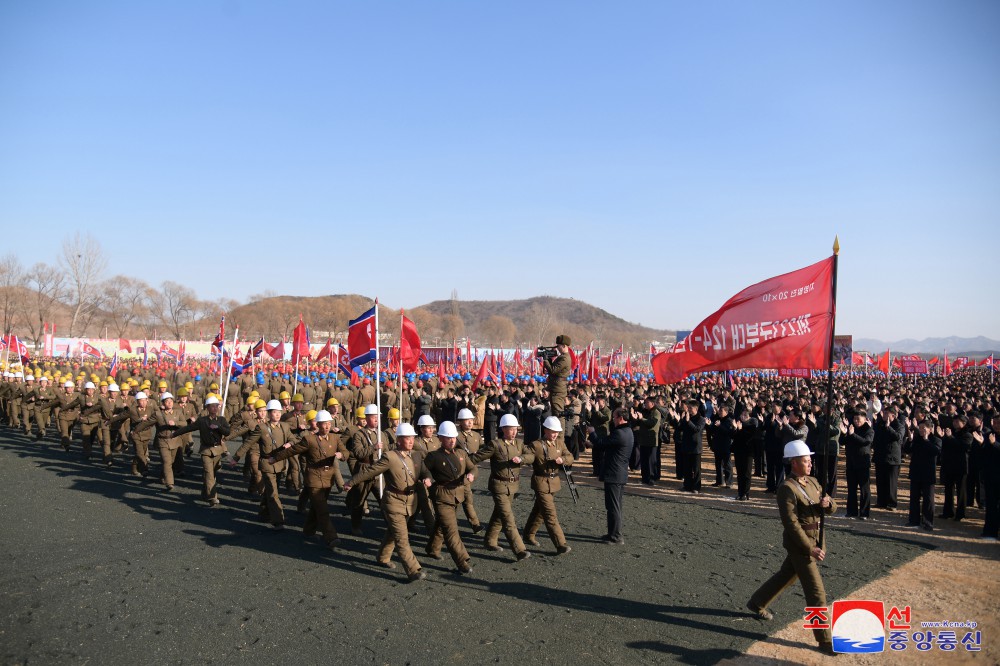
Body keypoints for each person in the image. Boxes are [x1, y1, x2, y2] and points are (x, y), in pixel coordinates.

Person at [747, 440, 837, 657]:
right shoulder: (787, 489)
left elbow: (831, 506)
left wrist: (828, 504)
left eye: (810, 460)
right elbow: (791, 523)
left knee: (786, 575)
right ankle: (824, 641)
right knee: (816, 593)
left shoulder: (814, 482)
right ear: (794, 463)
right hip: (801, 546)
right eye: (806, 461)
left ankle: (757, 602)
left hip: (816, 541)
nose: (810, 464)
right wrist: (809, 549)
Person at [346, 422, 427, 581]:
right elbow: (370, 471)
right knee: (402, 538)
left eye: (412, 438)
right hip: (393, 503)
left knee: (393, 532)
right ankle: (413, 569)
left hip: (410, 502)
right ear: (398, 440)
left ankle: (382, 557)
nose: (410, 441)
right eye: (406, 438)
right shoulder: (389, 457)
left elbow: (424, 470)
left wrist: (428, 478)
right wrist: (351, 482)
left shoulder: (416, 455)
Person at [270, 409, 349, 549]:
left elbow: (346, 452)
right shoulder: (309, 439)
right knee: (323, 510)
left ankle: (308, 530)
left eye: (328, 424)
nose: (326, 427)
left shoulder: (335, 438)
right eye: (323, 424)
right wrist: (275, 458)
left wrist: (341, 455)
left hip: (328, 478)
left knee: (316, 507)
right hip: (314, 479)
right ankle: (331, 537)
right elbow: (292, 450)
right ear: (317, 425)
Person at [471, 413, 533, 560]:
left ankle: (490, 540)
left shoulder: (519, 443)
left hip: (512, 486)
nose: (514, 432)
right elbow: (476, 458)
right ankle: (519, 550)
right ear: (503, 429)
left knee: (499, 514)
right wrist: (460, 464)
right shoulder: (495, 444)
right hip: (498, 485)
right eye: (510, 429)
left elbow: (531, 456)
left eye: (515, 429)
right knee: (508, 518)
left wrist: (522, 459)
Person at [421, 421, 476, 574]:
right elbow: (423, 470)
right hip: (441, 496)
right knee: (451, 530)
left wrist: (471, 474)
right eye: (447, 438)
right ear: (440, 438)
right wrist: (426, 478)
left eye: (453, 437)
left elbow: (472, 467)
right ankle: (462, 560)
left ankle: (432, 548)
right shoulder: (433, 456)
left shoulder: (461, 454)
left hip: (457, 495)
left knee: (441, 524)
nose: (452, 440)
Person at [523, 416, 574, 554]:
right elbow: (527, 456)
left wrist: (562, 459)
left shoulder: (560, 443)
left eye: (557, 431)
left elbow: (570, 457)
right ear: (545, 430)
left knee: (539, 511)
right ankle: (560, 543)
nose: (555, 434)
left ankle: (528, 534)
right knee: (550, 515)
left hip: (554, 483)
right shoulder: (537, 445)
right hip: (541, 482)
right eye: (553, 431)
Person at [171, 395, 232, 506]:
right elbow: (189, 428)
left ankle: (205, 493)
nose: (214, 408)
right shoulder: (202, 421)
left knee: (211, 473)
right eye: (211, 406)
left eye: (216, 406)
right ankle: (212, 497)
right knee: (209, 473)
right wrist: (175, 433)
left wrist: (218, 427)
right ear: (207, 408)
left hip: (218, 450)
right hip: (205, 450)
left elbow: (227, 432)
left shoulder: (222, 420)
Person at [594, 408, 634, 545]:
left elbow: (601, 444)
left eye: (615, 417)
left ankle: (616, 536)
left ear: (620, 418)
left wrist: (592, 433)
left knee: (614, 507)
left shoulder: (620, 433)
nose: (613, 419)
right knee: (614, 506)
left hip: (614, 474)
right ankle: (612, 533)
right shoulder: (628, 431)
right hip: (618, 473)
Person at [902, 419, 941, 530]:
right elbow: (907, 450)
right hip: (915, 472)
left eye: (924, 428)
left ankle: (927, 522)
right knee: (914, 498)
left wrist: (926, 440)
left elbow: (936, 452)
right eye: (920, 428)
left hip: (928, 473)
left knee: (928, 499)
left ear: (930, 429)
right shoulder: (916, 439)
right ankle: (914, 521)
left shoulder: (936, 440)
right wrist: (909, 440)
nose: (921, 430)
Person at [841, 407, 874, 520]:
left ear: (865, 419)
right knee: (851, 488)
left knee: (864, 489)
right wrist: (844, 433)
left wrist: (852, 434)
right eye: (854, 419)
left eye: (858, 419)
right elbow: (842, 441)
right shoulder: (851, 428)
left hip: (862, 463)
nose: (856, 421)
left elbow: (866, 442)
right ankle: (851, 511)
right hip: (851, 462)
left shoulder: (868, 429)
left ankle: (864, 513)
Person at [940, 414, 973, 522]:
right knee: (948, 489)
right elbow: (944, 446)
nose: (954, 423)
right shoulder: (952, 433)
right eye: (954, 421)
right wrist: (944, 437)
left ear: (964, 423)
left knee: (961, 491)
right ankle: (948, 512)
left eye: (957, 422)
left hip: (961, 466)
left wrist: (950, 437)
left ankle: (960, 513)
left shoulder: (967, 435)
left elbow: (963, 447)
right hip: (949, 465)